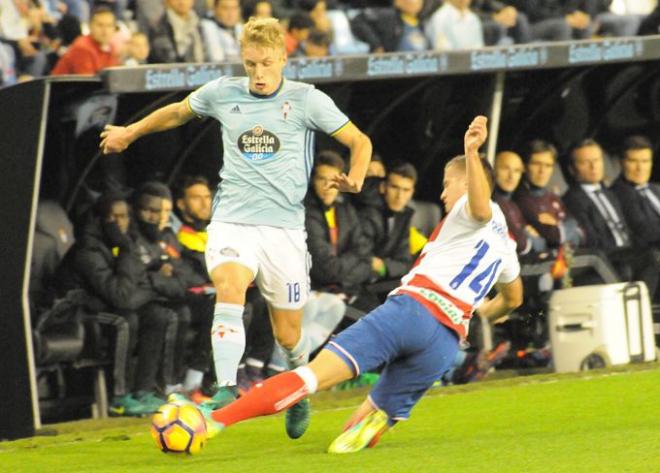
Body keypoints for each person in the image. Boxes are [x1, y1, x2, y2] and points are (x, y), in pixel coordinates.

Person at [100, 17, 372, 439]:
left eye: (266, 63)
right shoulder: (223, 92)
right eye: (250, 65)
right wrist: (129, 132)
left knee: (289, 334)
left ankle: (297, 385)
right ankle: (225, 388)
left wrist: (355, 176)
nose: (259, 74)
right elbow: (176, 113)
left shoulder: (307, 100)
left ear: (283, 57)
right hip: (232, 222)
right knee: (230, 285)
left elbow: (360, 141)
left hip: (283, 233)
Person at [206, 116, 523, 453]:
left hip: (411, 311)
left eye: (447, 183)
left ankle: (213, 421)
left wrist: (472, 153)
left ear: (467, 183)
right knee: (354, 429)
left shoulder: (474, 207)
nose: (444, 193)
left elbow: (478, 207)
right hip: (444, 343)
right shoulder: (506, 243)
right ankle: (377, 417)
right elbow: (514, 298)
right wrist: (483, 311)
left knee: (309, 378)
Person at [51, 6, 119, 75]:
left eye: (109, 25)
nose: (105, 30)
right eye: (100, 25)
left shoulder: (111, 47)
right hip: (65, 85)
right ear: (90, 26)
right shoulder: (82, 47)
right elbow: (87, 82)